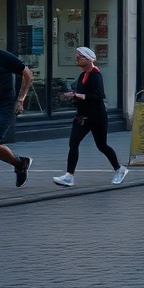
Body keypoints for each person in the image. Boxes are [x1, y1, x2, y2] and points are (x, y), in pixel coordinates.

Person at [52, 47, 128, 187]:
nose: (77, 59)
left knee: (101, 145)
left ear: (88, 59)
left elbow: (99, 96)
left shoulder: (95, 75)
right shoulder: (82, 76)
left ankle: (120, 169)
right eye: (77, 56)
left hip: (96, 116)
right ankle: (69, 176)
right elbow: (81, 93)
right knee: (73, 143)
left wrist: (78, 95)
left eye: (79, 57)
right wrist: (73, 95)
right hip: (82, 116)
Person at [0, 46, 33, 187]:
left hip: (3, 106)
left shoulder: (1, 56)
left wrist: (21, 99)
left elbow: (27, 74)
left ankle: (20, 164)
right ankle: (20, 163)